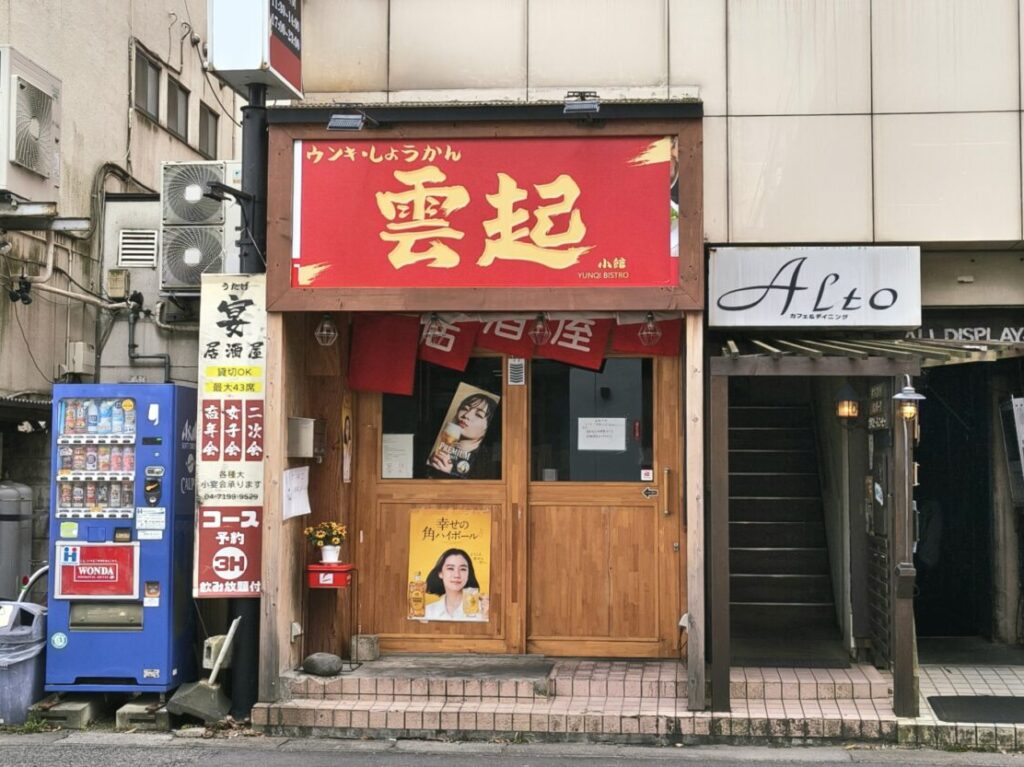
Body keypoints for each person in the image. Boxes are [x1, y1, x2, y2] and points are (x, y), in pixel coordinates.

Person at [427, 392, 498, 479]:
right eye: (465, 408)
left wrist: (448, 474)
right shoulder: (440, 442)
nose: (466, 415)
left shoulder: (487, 460)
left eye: (479, 415)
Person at [423, 548, 488, 621]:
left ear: (468, 574)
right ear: (440, 573)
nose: (457, 575)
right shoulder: (427, 612)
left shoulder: (483, 610)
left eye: (463, 569)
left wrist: (486, 618)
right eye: (450, 568)